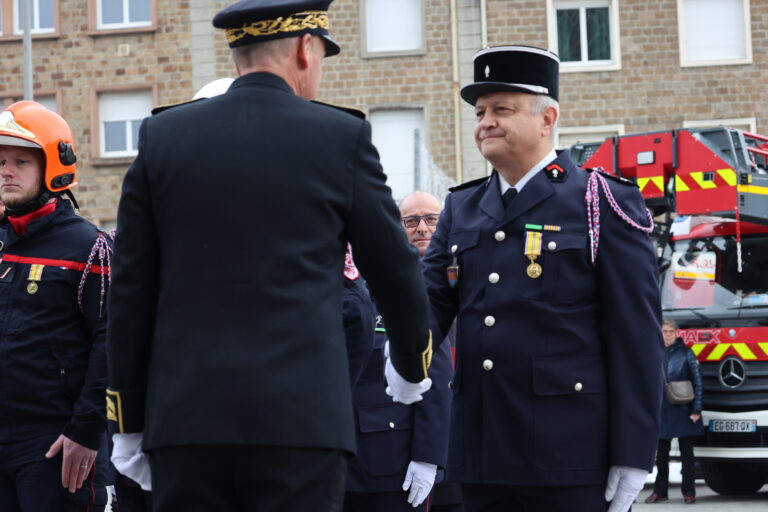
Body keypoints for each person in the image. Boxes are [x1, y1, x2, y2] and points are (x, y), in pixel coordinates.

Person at [105, 1, 433, 510]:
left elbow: (129, 291)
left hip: (187, 424)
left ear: (238, 55)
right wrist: (412, 365)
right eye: (322, 54)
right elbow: (393, 268)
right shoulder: (340, 137)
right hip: (299, 425)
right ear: (305, 49)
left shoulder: (162, 138)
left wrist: (126, 421)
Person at [422, 45, 664, 512]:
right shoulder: (462, 206)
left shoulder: (598, 201)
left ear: (547, 118)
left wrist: (634, 452)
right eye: (480, 111)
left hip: (569, 452)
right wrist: (406, 354)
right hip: (482, 450)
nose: (485, 122)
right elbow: (429, 301)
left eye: (501, 109)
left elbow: (636, 334)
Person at [0, 101, 112, 511]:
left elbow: (110, 342)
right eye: (0, 162)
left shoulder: (88, 246)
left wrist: (85, 432)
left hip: (56, 446)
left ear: (53, 166)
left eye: (19, 162)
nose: (5, 171)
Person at [345, 191, 456, 512]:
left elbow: (435, 373)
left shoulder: (408, 291)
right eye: (410, 221)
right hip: (342, 459)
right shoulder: (360, 281)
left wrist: (428, 455)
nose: (422, 228)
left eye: (431, 220)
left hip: (392, 462)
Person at [645, 318, 704, 505]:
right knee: (661, 455)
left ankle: (689, 492)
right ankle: (660, 491)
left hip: (684, 409)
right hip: (662, 410)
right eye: (664, 331)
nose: (667, 334)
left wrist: (696, 409)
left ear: (677, 333)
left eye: (670, 331)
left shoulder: (687, 353)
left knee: (687, 455)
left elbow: (698, 382)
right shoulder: (653, 353)